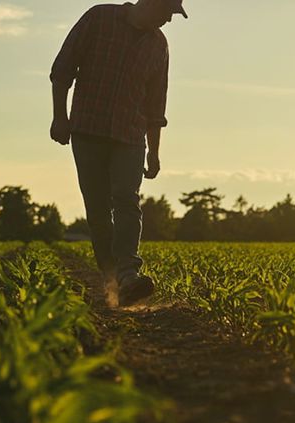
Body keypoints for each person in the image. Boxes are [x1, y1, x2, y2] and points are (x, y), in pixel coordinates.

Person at [50, 0, 187, 306]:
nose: (169, 20)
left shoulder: (159, 45)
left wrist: (154, 151)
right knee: (98, 211)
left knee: (127, 199)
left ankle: (128, 275)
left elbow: (156, 104)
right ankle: (112, 279)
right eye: (168, 12)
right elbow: (62, 70)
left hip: (130, 136)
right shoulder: (99, 18)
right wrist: (60, 116)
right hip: (87, 131)